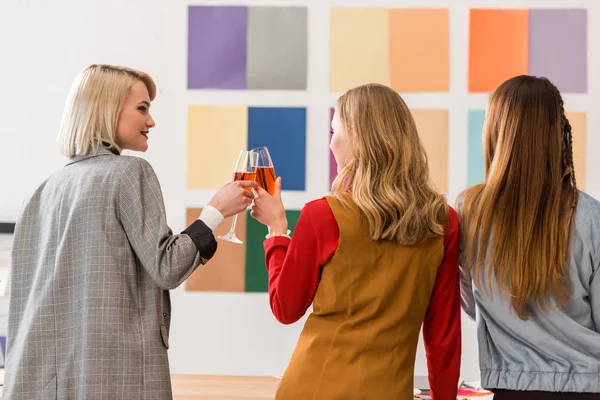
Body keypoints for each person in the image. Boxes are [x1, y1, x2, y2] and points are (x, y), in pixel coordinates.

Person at [4, 64, 256, 399]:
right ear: (106, 110)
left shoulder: (39, 193)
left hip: (40, 383)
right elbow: (167, 267)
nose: (151, 121)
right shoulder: (129, 172)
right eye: (142, 108)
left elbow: (22, 306)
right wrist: (215, 211)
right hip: (117, 380)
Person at [251, 83, 461, 400]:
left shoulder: (322, 215)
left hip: (312, 387)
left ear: (358, 142)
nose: (331, 143)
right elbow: (443, 333)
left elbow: (286, 308)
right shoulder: (442, 222)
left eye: (335, 131)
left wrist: (277, 230)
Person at [458, 75, 600, 399]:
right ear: (558, 134)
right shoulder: (592, 218)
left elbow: (472, 304)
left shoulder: (469, 211)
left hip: (511, 389)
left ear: (496, 132)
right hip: (587, 386)